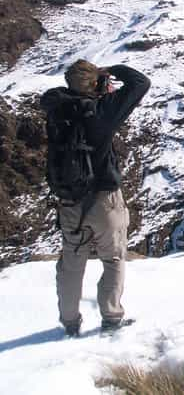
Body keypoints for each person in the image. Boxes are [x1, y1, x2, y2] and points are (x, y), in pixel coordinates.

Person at [40, 60, 150, 337]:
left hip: (69, 201)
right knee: (112, 259)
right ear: (97, 84)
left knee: (71, 263)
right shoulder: (102, 111)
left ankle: (69, 323)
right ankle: (111, 318)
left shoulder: (57, 108)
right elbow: (140, 83)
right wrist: (111, 69)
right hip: (104, 200)